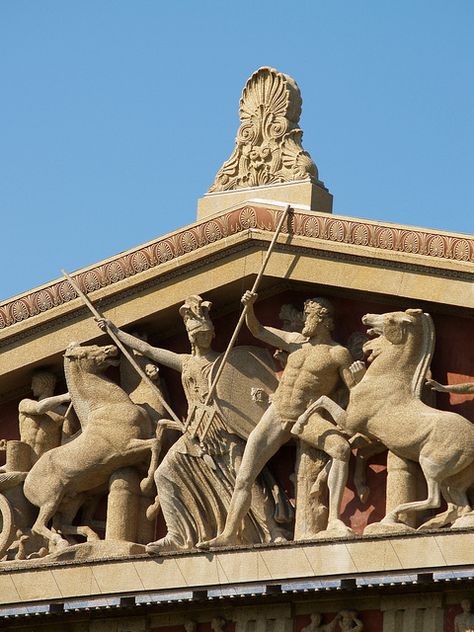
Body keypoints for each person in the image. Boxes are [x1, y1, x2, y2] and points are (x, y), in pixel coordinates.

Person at [98, 295, 287, 552]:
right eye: (199, 334)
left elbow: (250, 390)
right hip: (196, 433)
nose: (204, 338)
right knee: (165, 473)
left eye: (207, 333)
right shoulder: (186, 362)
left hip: (224, 432)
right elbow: (150, 351)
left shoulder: (226, 362)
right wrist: (116, 332)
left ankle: (273, 532)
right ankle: (177, 535)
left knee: (246, 480)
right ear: (190, 336)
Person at [198, 291, 363, 548]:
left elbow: (355, 391)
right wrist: (250, 306)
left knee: (340, 449)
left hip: (307, 415)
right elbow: (259, 331)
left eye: (308, 316)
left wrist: (360, 376)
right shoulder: (295, 342)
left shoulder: (338, 354)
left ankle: (333, 521)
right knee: (245, 474)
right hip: (277, 412)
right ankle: (230, 534)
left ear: (324, 320)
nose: (304, 320)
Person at [18, 371, 71, 466]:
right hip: (23, 461)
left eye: (34, 384)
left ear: (44, 384)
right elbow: (39, 408)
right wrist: (65, 396)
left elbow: (65, 443)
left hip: (46, 465)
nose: (32, 387)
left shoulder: (64, 413)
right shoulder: (25, 404)